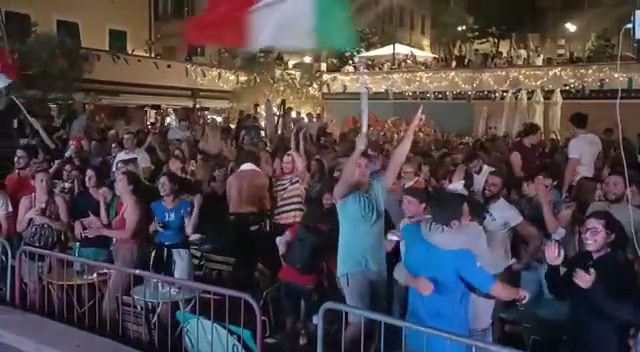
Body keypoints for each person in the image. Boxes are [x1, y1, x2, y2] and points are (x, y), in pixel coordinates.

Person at [333, 107, 422, 349]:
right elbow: (343, 182)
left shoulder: (377, 187)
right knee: (358, 321)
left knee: (376, 321)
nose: (360, 168)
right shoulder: (343, 196)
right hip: (352, 267)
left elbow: (397, 159)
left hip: (377, 265)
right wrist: (357, 150)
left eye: (364, 165)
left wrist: (411, 131)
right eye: (356, 165)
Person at [398, 190, 528, 352]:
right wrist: (519, 293)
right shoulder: (461, 256)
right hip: (448, 339)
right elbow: (496, 289)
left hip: (414, 330)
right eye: (466, 216)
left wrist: (413, 281)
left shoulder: (411, 232)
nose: (469, 220)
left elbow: (399, 269)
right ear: (454, 224)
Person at [544, 211, 637, 352]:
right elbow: (560, 293)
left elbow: (628, 312)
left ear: (610, 236)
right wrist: (553, 267)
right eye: (584, 230)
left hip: (607, 341)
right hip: (578, 336)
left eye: (594, 232)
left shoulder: (622, 266)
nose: (586, 236)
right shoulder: (581, 259)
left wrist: (593, 287)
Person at [85, 170, 146, 316]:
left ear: (130, 186)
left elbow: (128, 233)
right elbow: (114, 228)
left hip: (129, 253)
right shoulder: (123, 204)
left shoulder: (133, 205)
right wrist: (99, 225)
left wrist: (102, 232)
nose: (115, 184)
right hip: (119, 251)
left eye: (120, 181)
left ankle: (110, 331)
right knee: (114, 293)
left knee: (111, 299)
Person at [16, 168, 69, 307]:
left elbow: (64, 225)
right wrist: (28, 216)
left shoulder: (58, 200)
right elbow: (19, 227)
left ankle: (60, 319)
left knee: (57, 288)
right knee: (33, 289)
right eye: (41, 181)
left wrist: (47, 220)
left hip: (52, 250)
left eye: (47, 180)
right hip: (31, 250)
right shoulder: (27, 201)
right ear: (33, 182)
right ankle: (34, 319)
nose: (45, 184)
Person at [225, 147, 271, 289]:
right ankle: (248, 293)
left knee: (238, 260)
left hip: (233, 222)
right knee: (250, 261)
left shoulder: (231, 179)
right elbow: (266, 205)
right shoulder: (261, 177)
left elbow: (229, 202)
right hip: (252, 221)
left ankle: (235, 293)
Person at [149, 171, 196, 280]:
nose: (161, 186)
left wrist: (197, 208)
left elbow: (189, 231)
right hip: (160, 250)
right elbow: (148, 230)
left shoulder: (184, 204)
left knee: (181, 286)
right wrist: (155, 226)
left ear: (174, 185)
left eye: (165, 183)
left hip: (179, 251)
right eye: (159, 184)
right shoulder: (154, 205)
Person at [70, 167, 112, 262]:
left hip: (102, 244)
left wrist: (99, 221)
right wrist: (76, 222)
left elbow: (112, 220)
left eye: (92, 177)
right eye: (86, 176)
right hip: (84, 243)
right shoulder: (80, 197)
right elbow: (74, 215)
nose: (88, 179)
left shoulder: (107, 195)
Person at [561, 112, 602, 197]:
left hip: (579, 182)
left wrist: (565, 188)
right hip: (593, 179)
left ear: (572, 126)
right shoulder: (596, 139)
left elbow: (571, 166)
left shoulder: (575, 142)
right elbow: (600, 159)